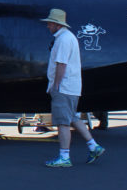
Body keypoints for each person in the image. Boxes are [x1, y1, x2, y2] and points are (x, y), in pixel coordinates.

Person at [41, 9, 105, 168]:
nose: (48, 26)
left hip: (64, 87)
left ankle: (64, 156)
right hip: (73, 87)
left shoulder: (62, 39)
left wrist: (56, 85)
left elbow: (61, 64)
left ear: (56, 24)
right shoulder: (69, 37)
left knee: (62, 122)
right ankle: (93, 146)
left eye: (49, 23)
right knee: (73, 118)